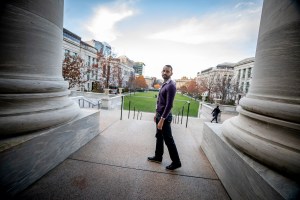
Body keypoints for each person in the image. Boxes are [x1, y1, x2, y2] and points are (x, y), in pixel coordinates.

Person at [147, 65, 181, 170]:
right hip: (159, 115)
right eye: (163, 70)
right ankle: (158, 156)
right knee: (159, 136)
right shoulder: (164, 83)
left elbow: (169, 105)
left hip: (164, 117)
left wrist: (162, 119)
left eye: (167, 71)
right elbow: (160, 101)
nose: (165, 72)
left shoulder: (171, 85)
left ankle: (176, 162)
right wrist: (155, 113)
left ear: (171, 73)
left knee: (168, 140)